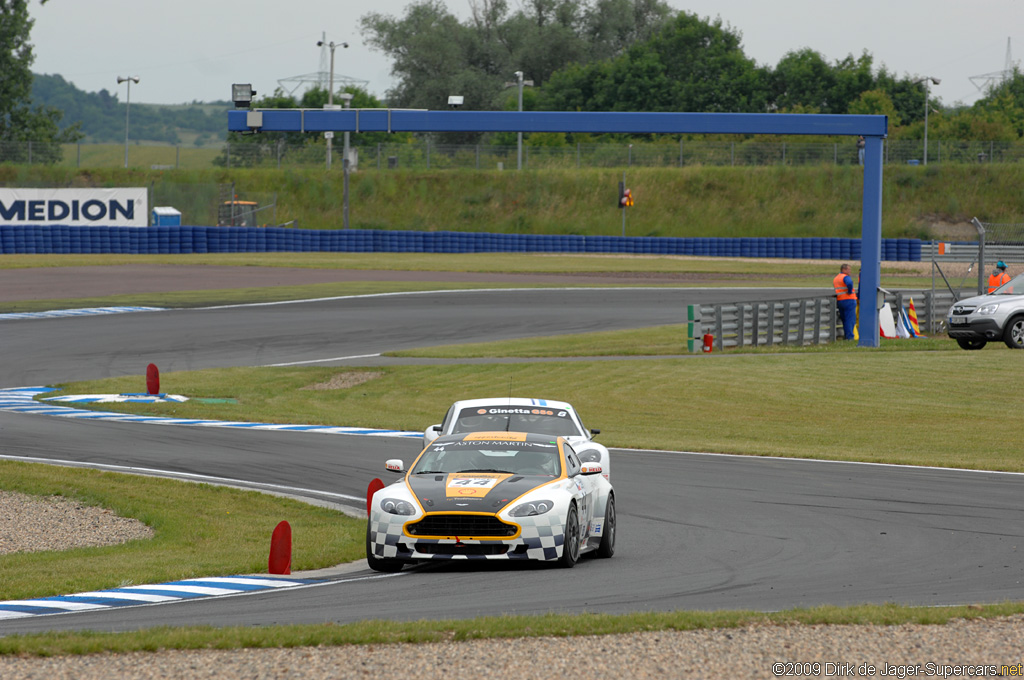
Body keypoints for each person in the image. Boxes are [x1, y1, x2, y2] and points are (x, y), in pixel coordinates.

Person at [833, 263, 858, 340]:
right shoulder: (845, 277)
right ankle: (850, 337)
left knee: (844, 319)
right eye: (848, 269)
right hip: (849, 300)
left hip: (840, 300)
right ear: (843, 270)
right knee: (850, 320)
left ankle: (846, 336)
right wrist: (850, 291)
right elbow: (850, 283)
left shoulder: (836, 278)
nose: (850, 271)